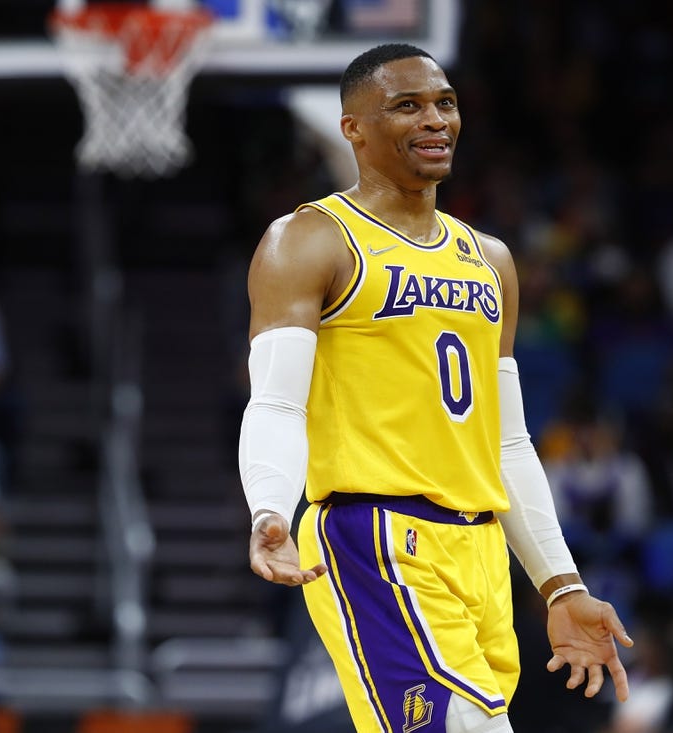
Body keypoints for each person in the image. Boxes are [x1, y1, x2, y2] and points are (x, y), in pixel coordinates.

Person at [239, 43, 633, 733]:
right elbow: (274, 400)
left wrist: (560, 583)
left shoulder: (491, 260)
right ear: (353, 128)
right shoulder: (310, 240)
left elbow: (506, 442)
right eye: (407, 105)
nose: (435, 119)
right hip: (377, 535)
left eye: (445, 103)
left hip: (478, 551)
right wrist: (269, 504)